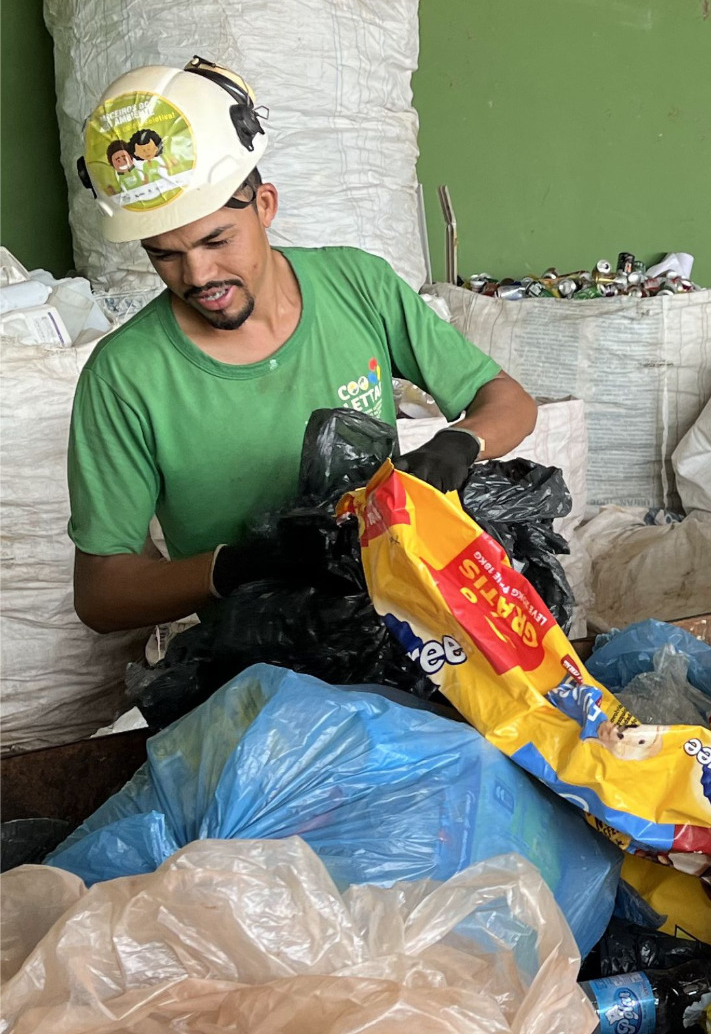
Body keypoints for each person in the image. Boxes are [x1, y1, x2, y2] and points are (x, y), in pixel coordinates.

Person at [67, 57, 537, 634]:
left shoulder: (356, 285)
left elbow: (508, 400)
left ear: (264, 205)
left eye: (217, 240)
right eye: (164, 254)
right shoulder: (125, 375)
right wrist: (241, 565)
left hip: (398, 617)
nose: (199, 275)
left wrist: (459, 442)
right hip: (260, 648)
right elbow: (101, 594)